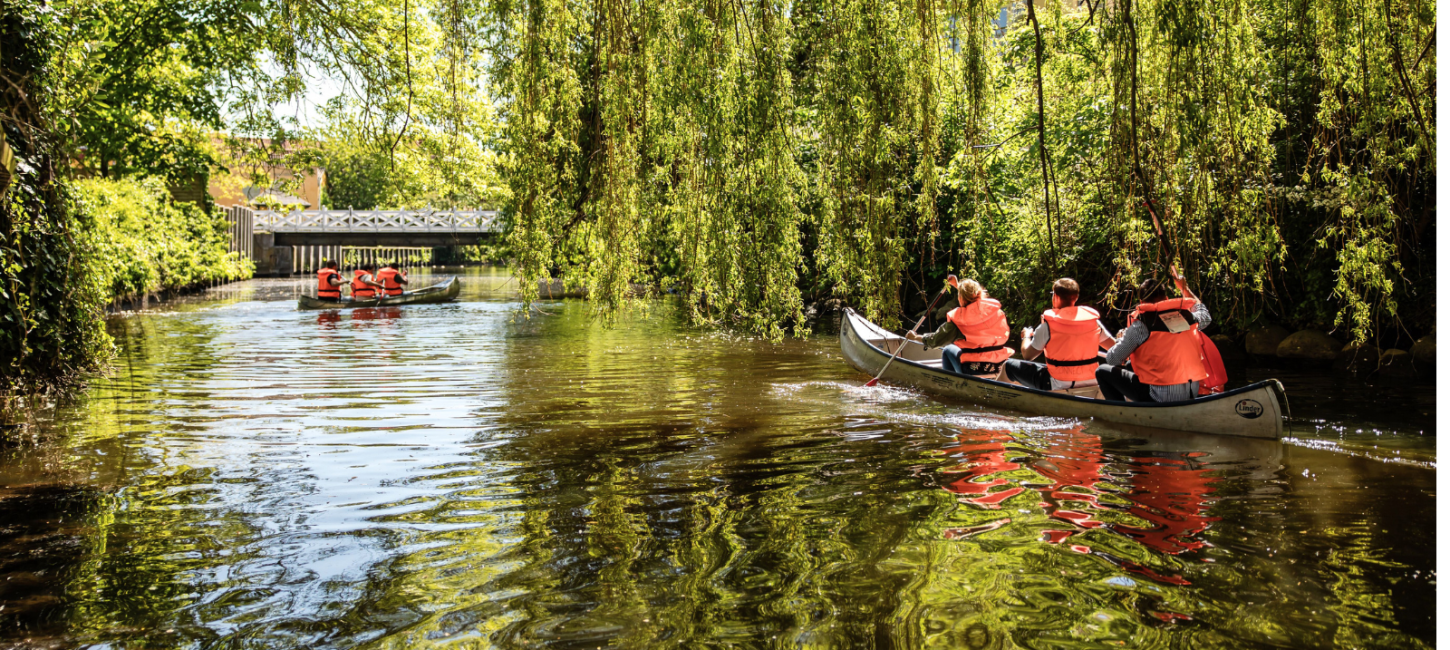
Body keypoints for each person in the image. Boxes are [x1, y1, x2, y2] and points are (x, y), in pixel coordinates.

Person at [1095, 268, 1211, 402]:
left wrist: (1123, 339)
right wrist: (1185, 288)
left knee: (1102, 371)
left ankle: (1122, 415)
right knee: (1130, 365)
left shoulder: (1140, 327)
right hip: (1191, 391)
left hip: (1160, 396)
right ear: (1166, 299)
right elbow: (1204, 314)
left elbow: (1113, 359)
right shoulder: (1188, 318)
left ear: (1142, 302)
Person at [1004, 278, 1116, 391]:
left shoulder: (1047, 326)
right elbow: (1114, 348)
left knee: (1008, 366)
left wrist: (1027, 336)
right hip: (1093, 380)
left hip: (1058, 384)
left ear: (1055, 297)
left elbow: (1028, 355)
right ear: (1076, 297)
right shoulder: (1094, 322)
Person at [906, 277, 1014, 377]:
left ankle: (950, 384)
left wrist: (915, 337)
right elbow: (975, 302)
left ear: (960, 297)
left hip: (974, 370)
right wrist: (958, 286)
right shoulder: (995, 312)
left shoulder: (958, 320)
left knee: (948, 349)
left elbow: (935, 340)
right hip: (999, 365)